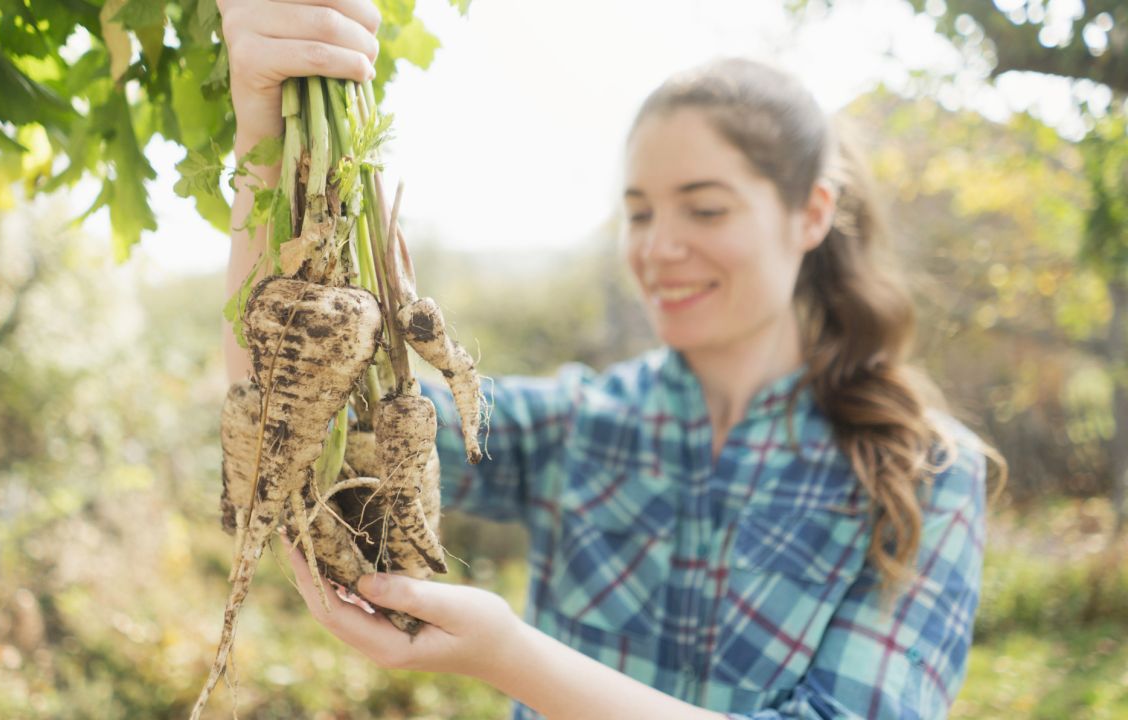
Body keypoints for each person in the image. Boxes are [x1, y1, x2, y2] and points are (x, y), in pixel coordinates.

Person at [216, 1, 1005, 717]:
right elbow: (297, 415)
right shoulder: (581, 423)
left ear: (811, 215)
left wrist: (512, 658)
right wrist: (262, 125)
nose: (659, 247)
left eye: (705, 207)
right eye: (638, 212)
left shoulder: (925, 472)